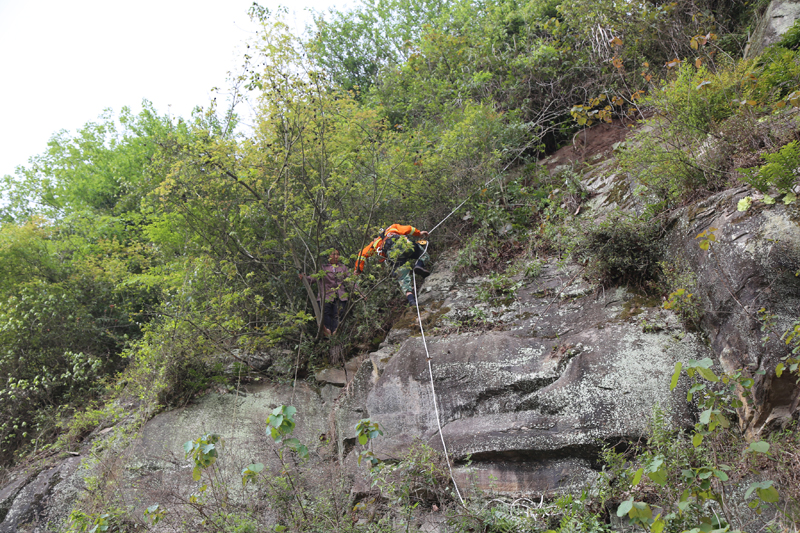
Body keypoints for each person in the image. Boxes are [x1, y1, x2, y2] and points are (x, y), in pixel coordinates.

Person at [354, 224, 431, 307]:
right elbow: (408, 229)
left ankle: (411, 300)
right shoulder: (392, 228)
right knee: (423, 254)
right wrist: (419, 233)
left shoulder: (375, 243)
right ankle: (419, 265)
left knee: (403, 278)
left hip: (392, 253)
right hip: (404, 244)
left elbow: (362, 254)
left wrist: (358, 269)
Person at [299, 249, 351, 336]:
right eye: (333, 254)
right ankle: (327, 333)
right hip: (326, 295)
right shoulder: (323, 268)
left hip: (340, 295)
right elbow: (312, 278)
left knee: (338, 315)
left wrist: (360, 292)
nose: (336, 256)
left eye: (337, 254)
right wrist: (304, 277)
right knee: (325, 314)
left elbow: (350, 281)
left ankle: (336, 333)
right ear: (328, 256)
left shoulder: (343, 267)